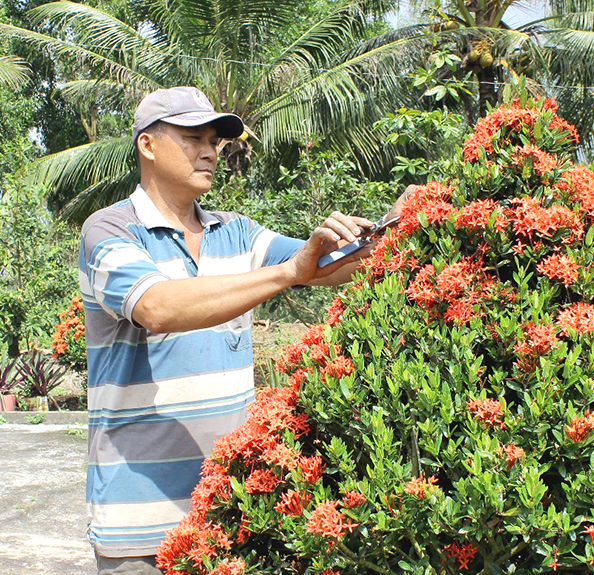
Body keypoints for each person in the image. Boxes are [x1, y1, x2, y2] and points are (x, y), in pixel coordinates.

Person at [80, 86, 407, 575]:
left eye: (215, 139)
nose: (211, 150)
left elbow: (322, 265)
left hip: (231, 515)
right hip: (140, 527)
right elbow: (158, 307)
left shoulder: (235, 230)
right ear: (147, 145)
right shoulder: (109, 230)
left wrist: (396, 225)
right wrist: (288, 272)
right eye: (193, 136)